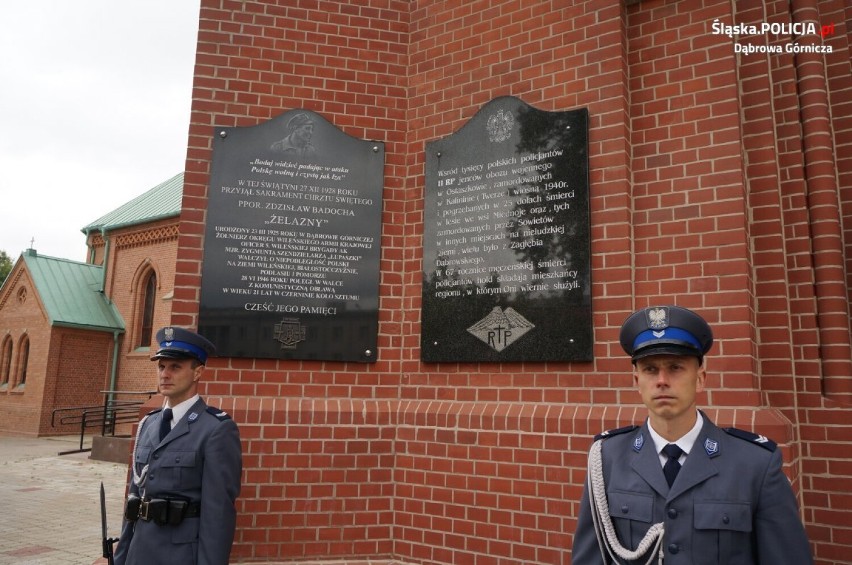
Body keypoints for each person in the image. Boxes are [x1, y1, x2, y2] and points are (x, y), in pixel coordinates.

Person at [571, 305, 812, 564]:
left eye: (675, 367)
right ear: (636, 381)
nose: (661, 380)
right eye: (650, 369)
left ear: (700, 379)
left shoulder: (755, 464)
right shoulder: (607, 458)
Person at [114, 327, 242, 565]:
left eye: (176, 367)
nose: (165, 374)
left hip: (180, 555)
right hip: (139, 553)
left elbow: (218, 515)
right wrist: (120, 558)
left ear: (197, 372)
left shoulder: (215, 429)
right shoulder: (148, 424)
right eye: (161, 367)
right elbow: (135, 498)